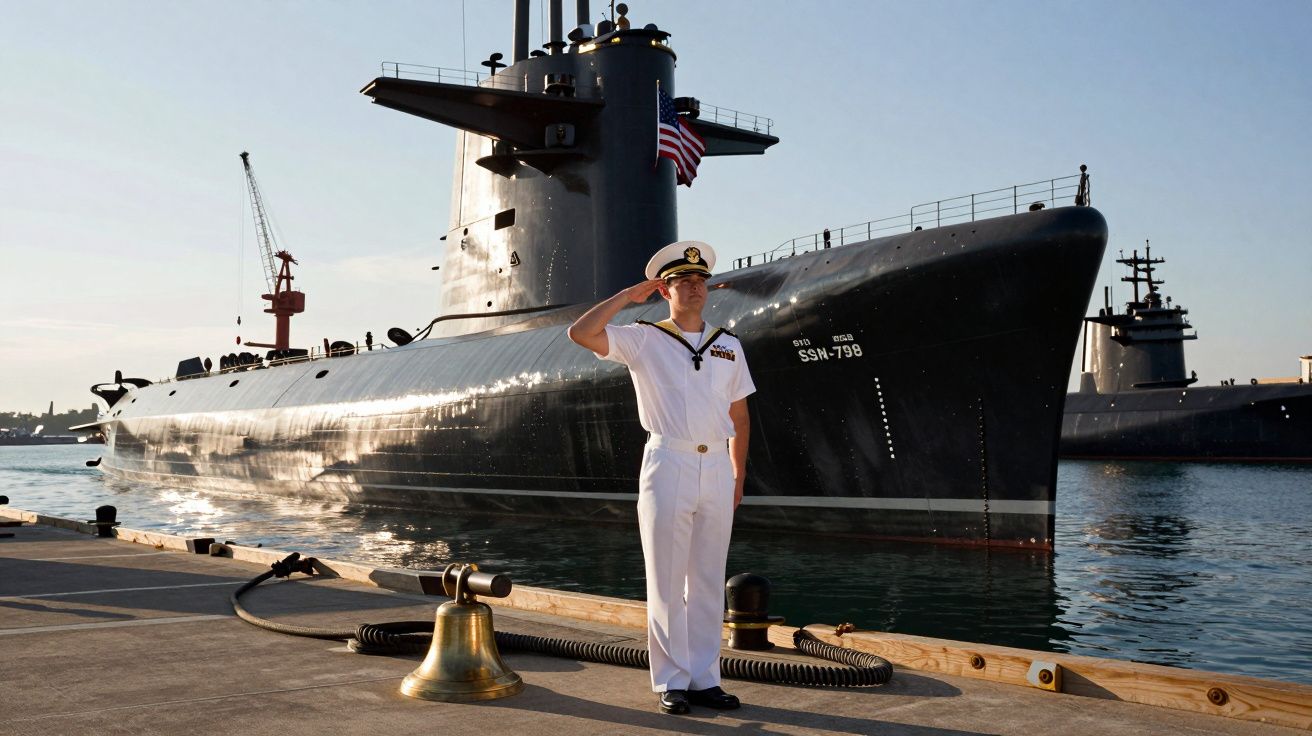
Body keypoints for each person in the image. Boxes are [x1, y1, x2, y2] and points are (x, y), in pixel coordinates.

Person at [567, 240, 754, 716]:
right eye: (682, 282)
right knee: (667, 581)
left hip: (716, 466)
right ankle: (671, 681)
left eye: (700, 281)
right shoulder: (643, 338)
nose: (694, 287)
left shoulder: (728, 345)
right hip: (667, 463)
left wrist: (737, 473)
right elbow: (581, 333)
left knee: (709, 580)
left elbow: (740, 414)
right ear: (664, 290)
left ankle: (705, 679)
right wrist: (626, 296)